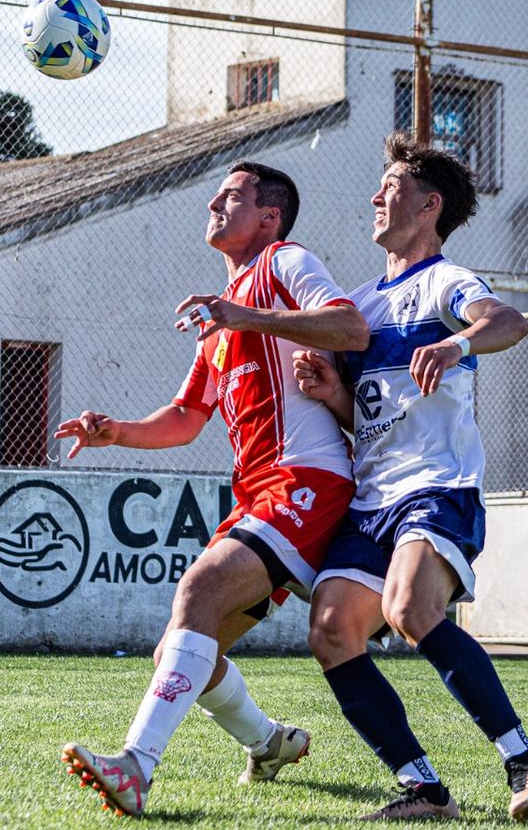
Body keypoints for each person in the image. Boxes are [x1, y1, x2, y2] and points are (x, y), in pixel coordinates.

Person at [56, 160, 369, 817]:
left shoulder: (285, 261)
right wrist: (115, 432)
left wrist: (249, 316)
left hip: (307, 480)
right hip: (259, 496)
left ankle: (137, 769)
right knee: (181, 647)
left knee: (196, 593)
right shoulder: (219, 320)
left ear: (268, 217)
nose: (213, 203)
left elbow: (349, 327)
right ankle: (270, 741)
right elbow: (184, 419)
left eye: (231, 196)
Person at [294, 132, 528, 822]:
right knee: (330, 628)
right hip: (371, 498)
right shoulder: (358, 306)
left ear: (428, 204)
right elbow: (373, 420)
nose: (376, 196)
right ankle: (423, 787)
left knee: (412, 608)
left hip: (435, 486)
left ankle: (527, 763)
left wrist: (456, 341)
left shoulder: (447, 282)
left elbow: (509, 322)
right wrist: (334, 395)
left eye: (390, 185)